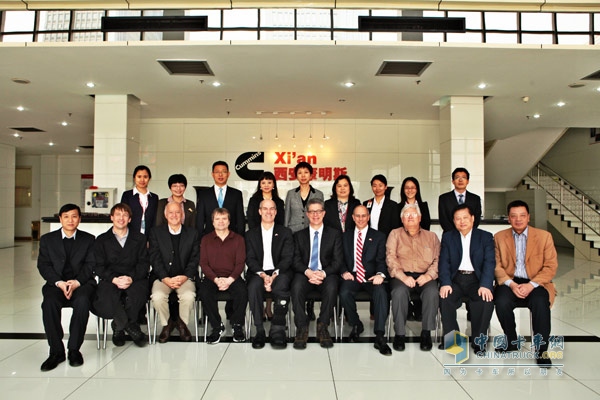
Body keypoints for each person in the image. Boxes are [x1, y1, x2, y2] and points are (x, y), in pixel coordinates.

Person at [494, 200, 558, 367]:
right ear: (508, 218)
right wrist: (512, 284)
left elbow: (551, 266)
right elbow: (496, 265)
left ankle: (542, 350)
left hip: (537, 283)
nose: (518, 219)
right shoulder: (499, 237)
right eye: (514, 216)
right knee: (501, 301)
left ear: (528, 217)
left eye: (522, 215)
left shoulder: (544, 237)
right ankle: (511, 340)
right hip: (510, 281)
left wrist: (531, 285)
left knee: (540, 302)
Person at [38, 204, 96, 371]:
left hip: (81, 283)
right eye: (66, 216)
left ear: (80, 218)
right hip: (56, 284)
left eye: (74, 216)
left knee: (83, 301)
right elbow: (44, 266)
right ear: (60, 219)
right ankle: (56, 351)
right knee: (49, 303)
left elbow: (90, 264)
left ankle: (74, 349)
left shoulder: (89, 239)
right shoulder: (48, 240)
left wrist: (77, 282)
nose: (71, 220)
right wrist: (59, 282)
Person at [438, 204, 495, 351]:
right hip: (455, 279)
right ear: (453, 221)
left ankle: (479, 341)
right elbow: (444, 262)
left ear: (473, 218)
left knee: (485, 299)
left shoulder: (485, 237)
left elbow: (489, 262)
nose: (462, 221)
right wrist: (445, 283)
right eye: (458, 219)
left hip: (476, 280)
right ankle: (453, 341)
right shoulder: (448, 237)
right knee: (445, 298)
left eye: (465, 218)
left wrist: (486, 285)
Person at [93, 203, 149, 348]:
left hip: (134, 278)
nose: (121, 218)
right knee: (108, 295)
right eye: (118, 214)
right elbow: (98, 266)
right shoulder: (101, 240)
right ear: (111, 218)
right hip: (110, 278)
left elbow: (144, 263)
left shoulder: (140, 238)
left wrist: (130, 277)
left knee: (136, 294)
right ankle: (130, 326)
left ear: (130, 219)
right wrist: (114, 279)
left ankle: (118, 326)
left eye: (125, 215)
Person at [291, 198, 343, 349]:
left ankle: (323, 325)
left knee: (332, 286)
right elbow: (295, 260)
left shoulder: (334, 234)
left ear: (324, 213)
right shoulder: (298, 235)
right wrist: (308, 272)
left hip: (326, 273)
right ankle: (302, 327)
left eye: (318, 211)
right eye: (312, 212)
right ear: (307, 214)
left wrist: (322, 273)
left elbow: (337, 261)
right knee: (296, 286)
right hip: (305, 273)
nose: (315, 215)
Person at [386, 203, 440, 352]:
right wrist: (402, 277)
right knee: (398, 293)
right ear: (402, 219)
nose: (410, 217)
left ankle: (426, 333)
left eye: (413, 214)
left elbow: (438, 259)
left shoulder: (432, 237)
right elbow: (390, 258)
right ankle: (400, 334)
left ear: (420, 218)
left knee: (432, 293)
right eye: (406, 215)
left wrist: (429, 275)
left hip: (425, 276)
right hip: (401, 276)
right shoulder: (395, 234)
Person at [339, 205, 392, 356]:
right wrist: (344, 272)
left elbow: (382, 260)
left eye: (364, 216)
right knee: (344, 292)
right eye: (357, 216)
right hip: (353, 275)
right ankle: (356, 324)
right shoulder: (345, 236)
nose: (361, 219)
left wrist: (380, 274)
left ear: (368, 217)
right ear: (353, 218)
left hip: (371, 277)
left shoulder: (379, 236)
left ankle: (380, 335)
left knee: (381, 293)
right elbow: (340, 258)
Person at [245, 199, 294, 349]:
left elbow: (287, 257)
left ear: (276, 211)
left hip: (280, 271)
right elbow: (250, 258)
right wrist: (262, 275)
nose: (268, 212)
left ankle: (277, 329)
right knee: (253, 287)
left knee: (282, 285)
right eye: (265, 209)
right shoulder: (250, 234)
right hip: (257, 272)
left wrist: (274, 274)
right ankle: (259, 330)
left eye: (272, 209)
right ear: (259, 211)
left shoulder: (285, 232)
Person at [149, 202, 199, 343]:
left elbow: (195, 258)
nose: (174, 215)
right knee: (158, 297)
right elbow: (154, 257)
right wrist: (165, 278)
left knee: (188, 296)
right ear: (165, 215)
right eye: (171, 212)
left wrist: (185, 276)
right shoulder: (156, 233)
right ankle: (167, 324)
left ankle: (182, 324)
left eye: (177, 212)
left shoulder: (192, 233)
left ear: (182, 215)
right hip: (162, 278)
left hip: (185, 277)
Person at [199, 208, 248, 344]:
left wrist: (229, 280)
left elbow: (240, 263)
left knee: (242, 291)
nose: (221, 222)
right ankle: (216, 326)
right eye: (217, 219)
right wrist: (216, 279)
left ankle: (237, 325)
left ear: (229, 221)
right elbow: (203, 263)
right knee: (204, 292)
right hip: (212, 277)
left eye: (224, 219)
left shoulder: (238, 239)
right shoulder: (206, 239)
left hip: (233, 277)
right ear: (212, 222)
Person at [284, 162, 324, 321]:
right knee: (298, 266)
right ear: (296, 176)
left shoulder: (318, 193)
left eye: (306, 172)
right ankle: (300, 298)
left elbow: (320, 215)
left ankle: (310, 304)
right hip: (294, 235)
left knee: (312, 263)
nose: (303, 175)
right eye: (299, 173)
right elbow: (287, 215)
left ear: (311, 175)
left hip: (312, 235)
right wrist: (286, 233)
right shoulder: (290, 193)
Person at [196, 161, 245, 240]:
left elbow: (240, 219)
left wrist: (240, 238)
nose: (220, 175)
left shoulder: (236, 194)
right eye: (217, 172)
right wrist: (200, 239)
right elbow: (199, 220)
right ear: (212, 174)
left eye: (224, 172)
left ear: (228, 174)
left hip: (231, 238)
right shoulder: (204, 195)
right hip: (209, 238)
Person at [438, 167, 482, 233]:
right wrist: (455, 235)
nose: (460, 180)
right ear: (453, 181)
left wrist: (466, 233)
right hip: (450, 236)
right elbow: (443, 220)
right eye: (457, 177)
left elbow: (476, 219)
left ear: (468, 181)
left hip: (469, 236)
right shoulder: (444, 198)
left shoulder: (475, 199)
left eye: (464, 177)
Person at [121, 165, 158, 235]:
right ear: (134, 178)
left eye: (145, 177)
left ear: (149, 178)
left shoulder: (154, 197)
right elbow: (123, 215)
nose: (142, 180)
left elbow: (154, 219)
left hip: (148, 235)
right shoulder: (127, 195)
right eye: (139, 177)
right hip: (130, 235)